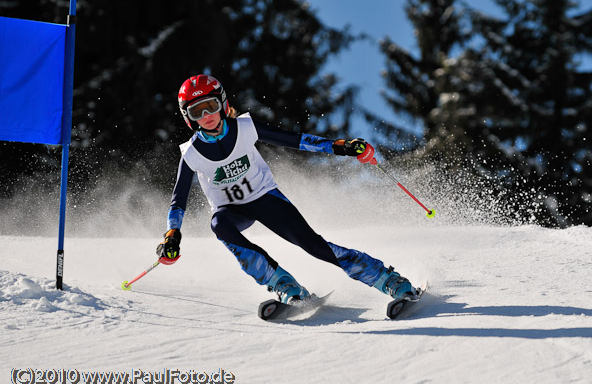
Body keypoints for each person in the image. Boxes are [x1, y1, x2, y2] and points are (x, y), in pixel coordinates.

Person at [156, 74, 417, 304]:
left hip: (265, 198)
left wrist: (341, 147)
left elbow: (297, 141)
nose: (206, 116)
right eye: (196, 111)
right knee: (219, 225)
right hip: (231, 210)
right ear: (188, 118)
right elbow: (178, 201)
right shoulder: (191, 153)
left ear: (222, 103)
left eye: (211, 106)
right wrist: (172, 235)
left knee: (314, 246)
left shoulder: (246, 128)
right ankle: (284, 284)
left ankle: (389, 280)